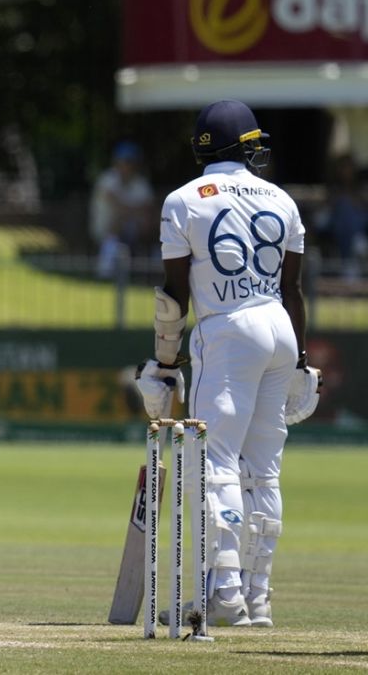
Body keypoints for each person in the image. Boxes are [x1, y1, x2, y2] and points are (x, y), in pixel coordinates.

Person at [135, 99, 321, 629]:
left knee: (214, 463)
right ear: (242, 145)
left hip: (228, 330)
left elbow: (175, 294)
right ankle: (258, 600)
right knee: (263, 470)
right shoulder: (282, 199)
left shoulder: (182, 200)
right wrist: (303, 363)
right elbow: (294, 289)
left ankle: (226, 596)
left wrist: (164, 364)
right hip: (279, 330)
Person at [90, 140, 156, 278]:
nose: (127, 166)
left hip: (134, 229)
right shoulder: (107, 179)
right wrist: (134, 210)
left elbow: (148, 209)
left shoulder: (140, 183)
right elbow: (117, 205)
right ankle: (105, 270)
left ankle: (149, 269)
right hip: (105, 230)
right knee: (118, 222)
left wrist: (129, 211)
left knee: (151, 223)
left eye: (130, 162)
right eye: (124, 161)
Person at [313, 153, 368, 281]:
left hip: (359, 227)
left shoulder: (361, 188)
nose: (346, 172)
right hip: (336, 227)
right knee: (343, 210)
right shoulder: (332, 189)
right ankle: (349, 261)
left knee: (348, 212)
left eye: (349, 168)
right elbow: (323, 215)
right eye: (343, 168)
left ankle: (350, 258)